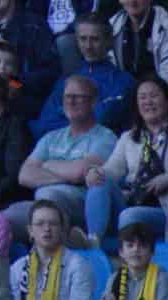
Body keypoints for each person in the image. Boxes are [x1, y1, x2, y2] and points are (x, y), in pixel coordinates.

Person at [18, 76, 120, 235]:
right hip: (44, 201)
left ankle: (63, 244)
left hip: (85, 204)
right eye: (67, 97)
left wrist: (46, 165)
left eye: (78, 97)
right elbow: (24, 175)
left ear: (93, 102)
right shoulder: (51, 137)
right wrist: (65, 178)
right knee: (7, 217)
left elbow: (80, 172)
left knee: (46, 194)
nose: (71, 102)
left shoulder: (105, 137)